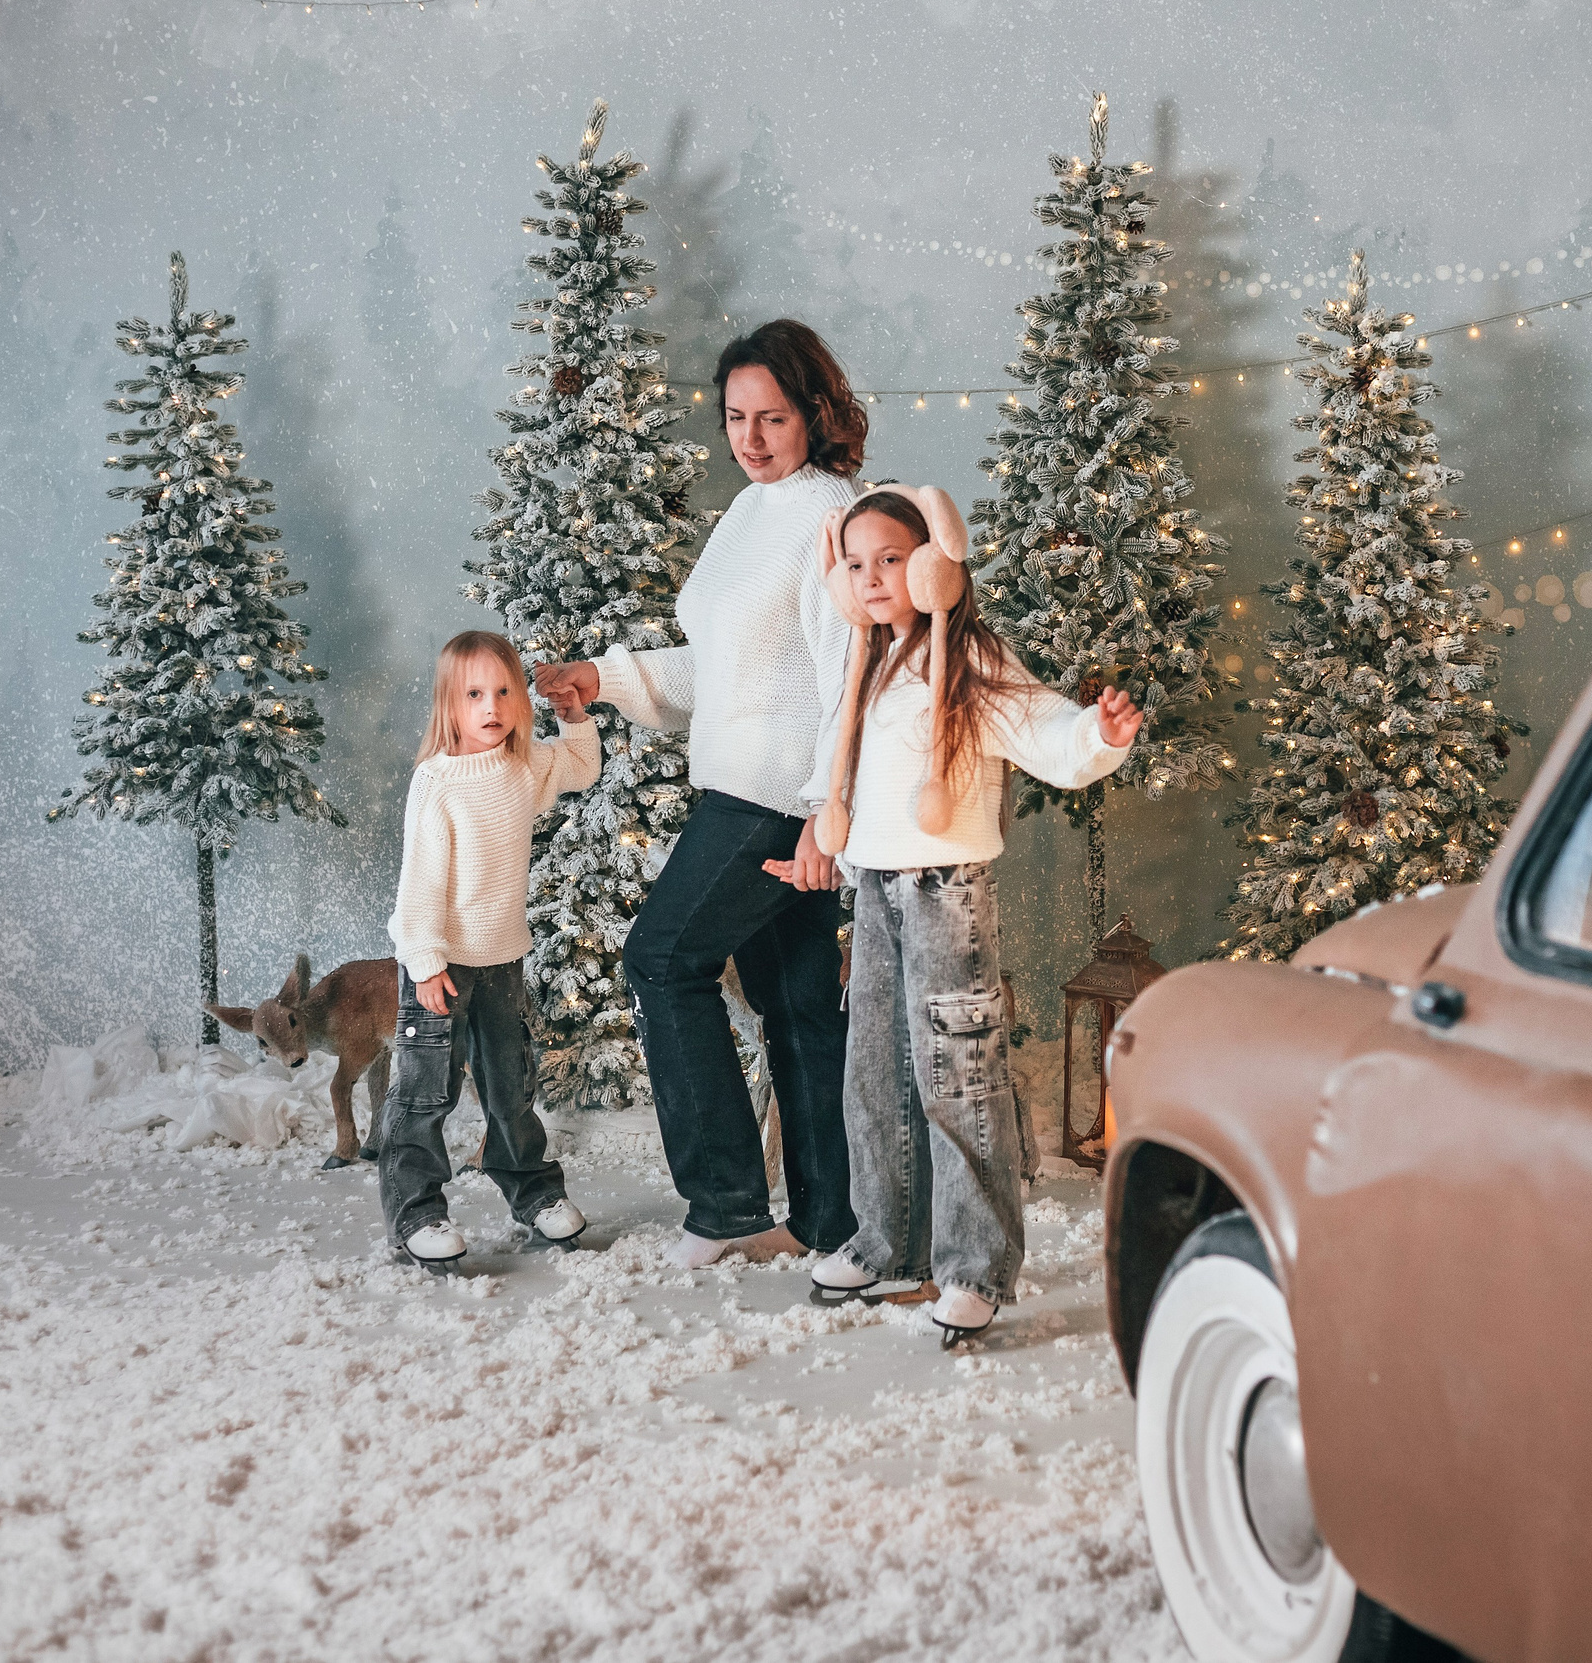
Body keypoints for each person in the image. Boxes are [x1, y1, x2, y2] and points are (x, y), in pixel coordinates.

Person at [532, 320, 866, 1269]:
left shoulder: (831, 517)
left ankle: (726, 1205)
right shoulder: (750, 512)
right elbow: (722, 666)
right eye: (735, 417)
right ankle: (829, 1221)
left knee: (662, 959)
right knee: (798, 1006)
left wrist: (825, 812)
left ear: (815, 413)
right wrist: (605, 678)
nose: (750, 438)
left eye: (773, 418)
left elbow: (851, 674)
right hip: (757, 788)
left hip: (775, 799)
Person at [782, 485, 1139, 1348]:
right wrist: (823, 838)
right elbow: (844, 762)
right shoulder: (867, 657)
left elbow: (1042, 725)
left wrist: (1099, 733)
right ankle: (887, 1240)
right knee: (876, 1071)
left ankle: (975, 1264)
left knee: (958, 1073)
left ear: (935, 563)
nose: (871, 578)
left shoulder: (970, 656)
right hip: (874, 891)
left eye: (891, 560)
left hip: (945, 892)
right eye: (855, 564)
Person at [382, 630, 600, 1269]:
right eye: (474, 694)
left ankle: (535, 1193)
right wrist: (425, 962)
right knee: (427, 1093)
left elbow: (581, 766)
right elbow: (419, 881)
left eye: (504, 692)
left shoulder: (522, 765)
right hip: (440, 964)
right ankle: (416, 1210)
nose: (492, 707)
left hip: (502, 958)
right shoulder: (437, 782)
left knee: (511, 1087)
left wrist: (573, 715)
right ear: (449, 705)